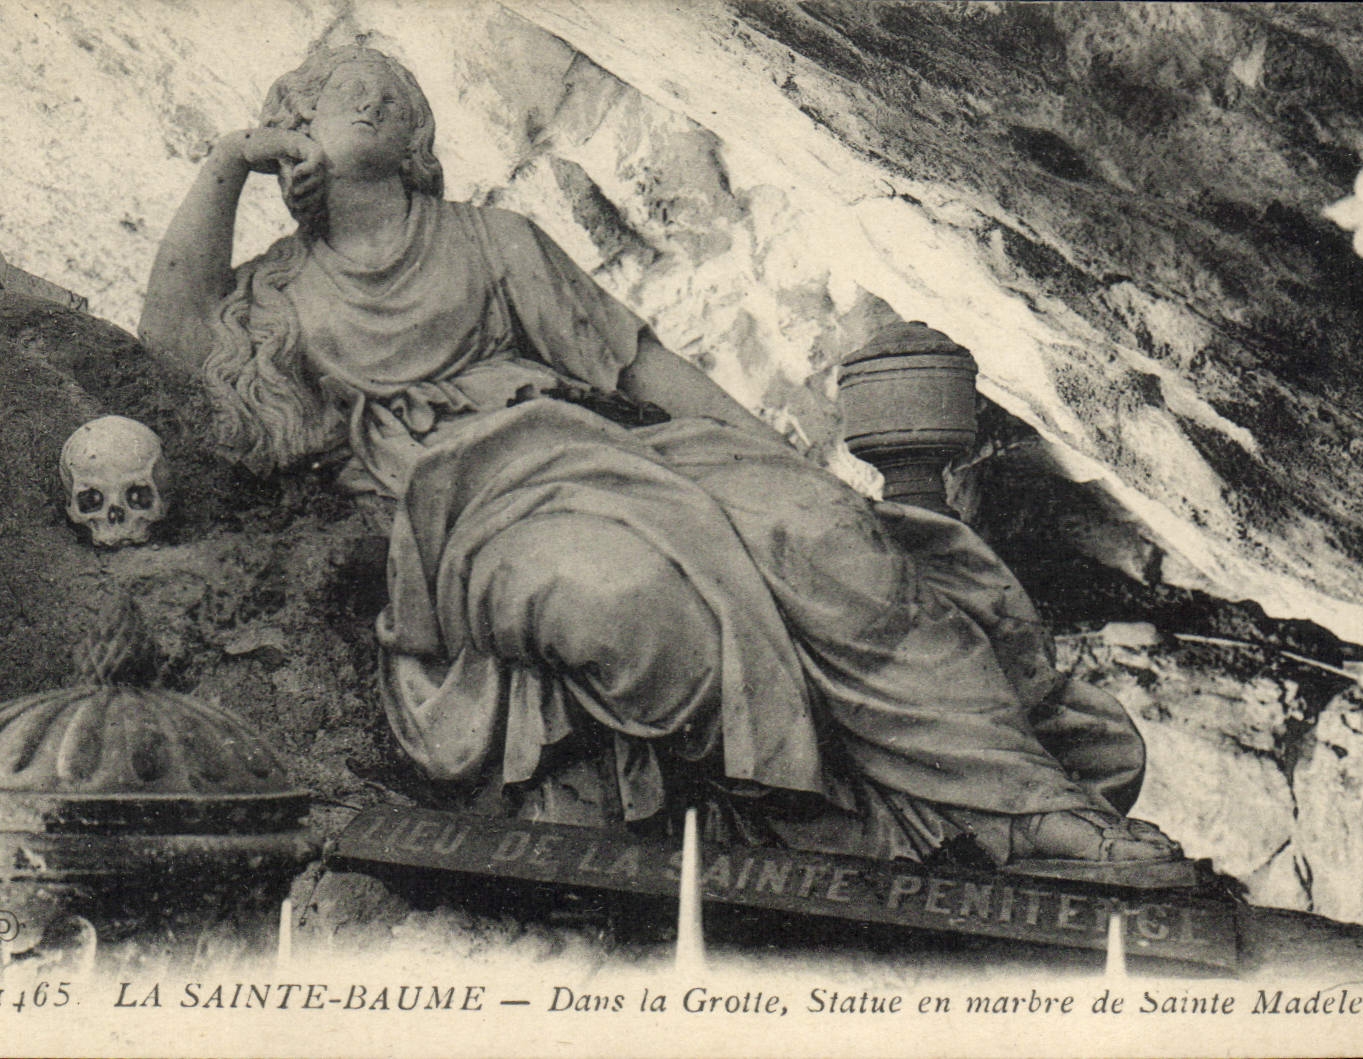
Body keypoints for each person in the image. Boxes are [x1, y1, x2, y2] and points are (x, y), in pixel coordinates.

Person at [140, 45, 1182, 871]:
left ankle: (1030, 812)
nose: (361, 90)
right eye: (324, 95)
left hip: (601, 448)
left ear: (417, 141)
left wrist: (783, 458)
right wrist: (226, 158)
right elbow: (173, 354)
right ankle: (793, 820)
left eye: (383, 91)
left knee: (834, 541)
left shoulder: (494, 241)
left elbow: (642, 367)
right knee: (625, 599)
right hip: (466, 509)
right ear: (291, 137)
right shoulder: (282, 293)